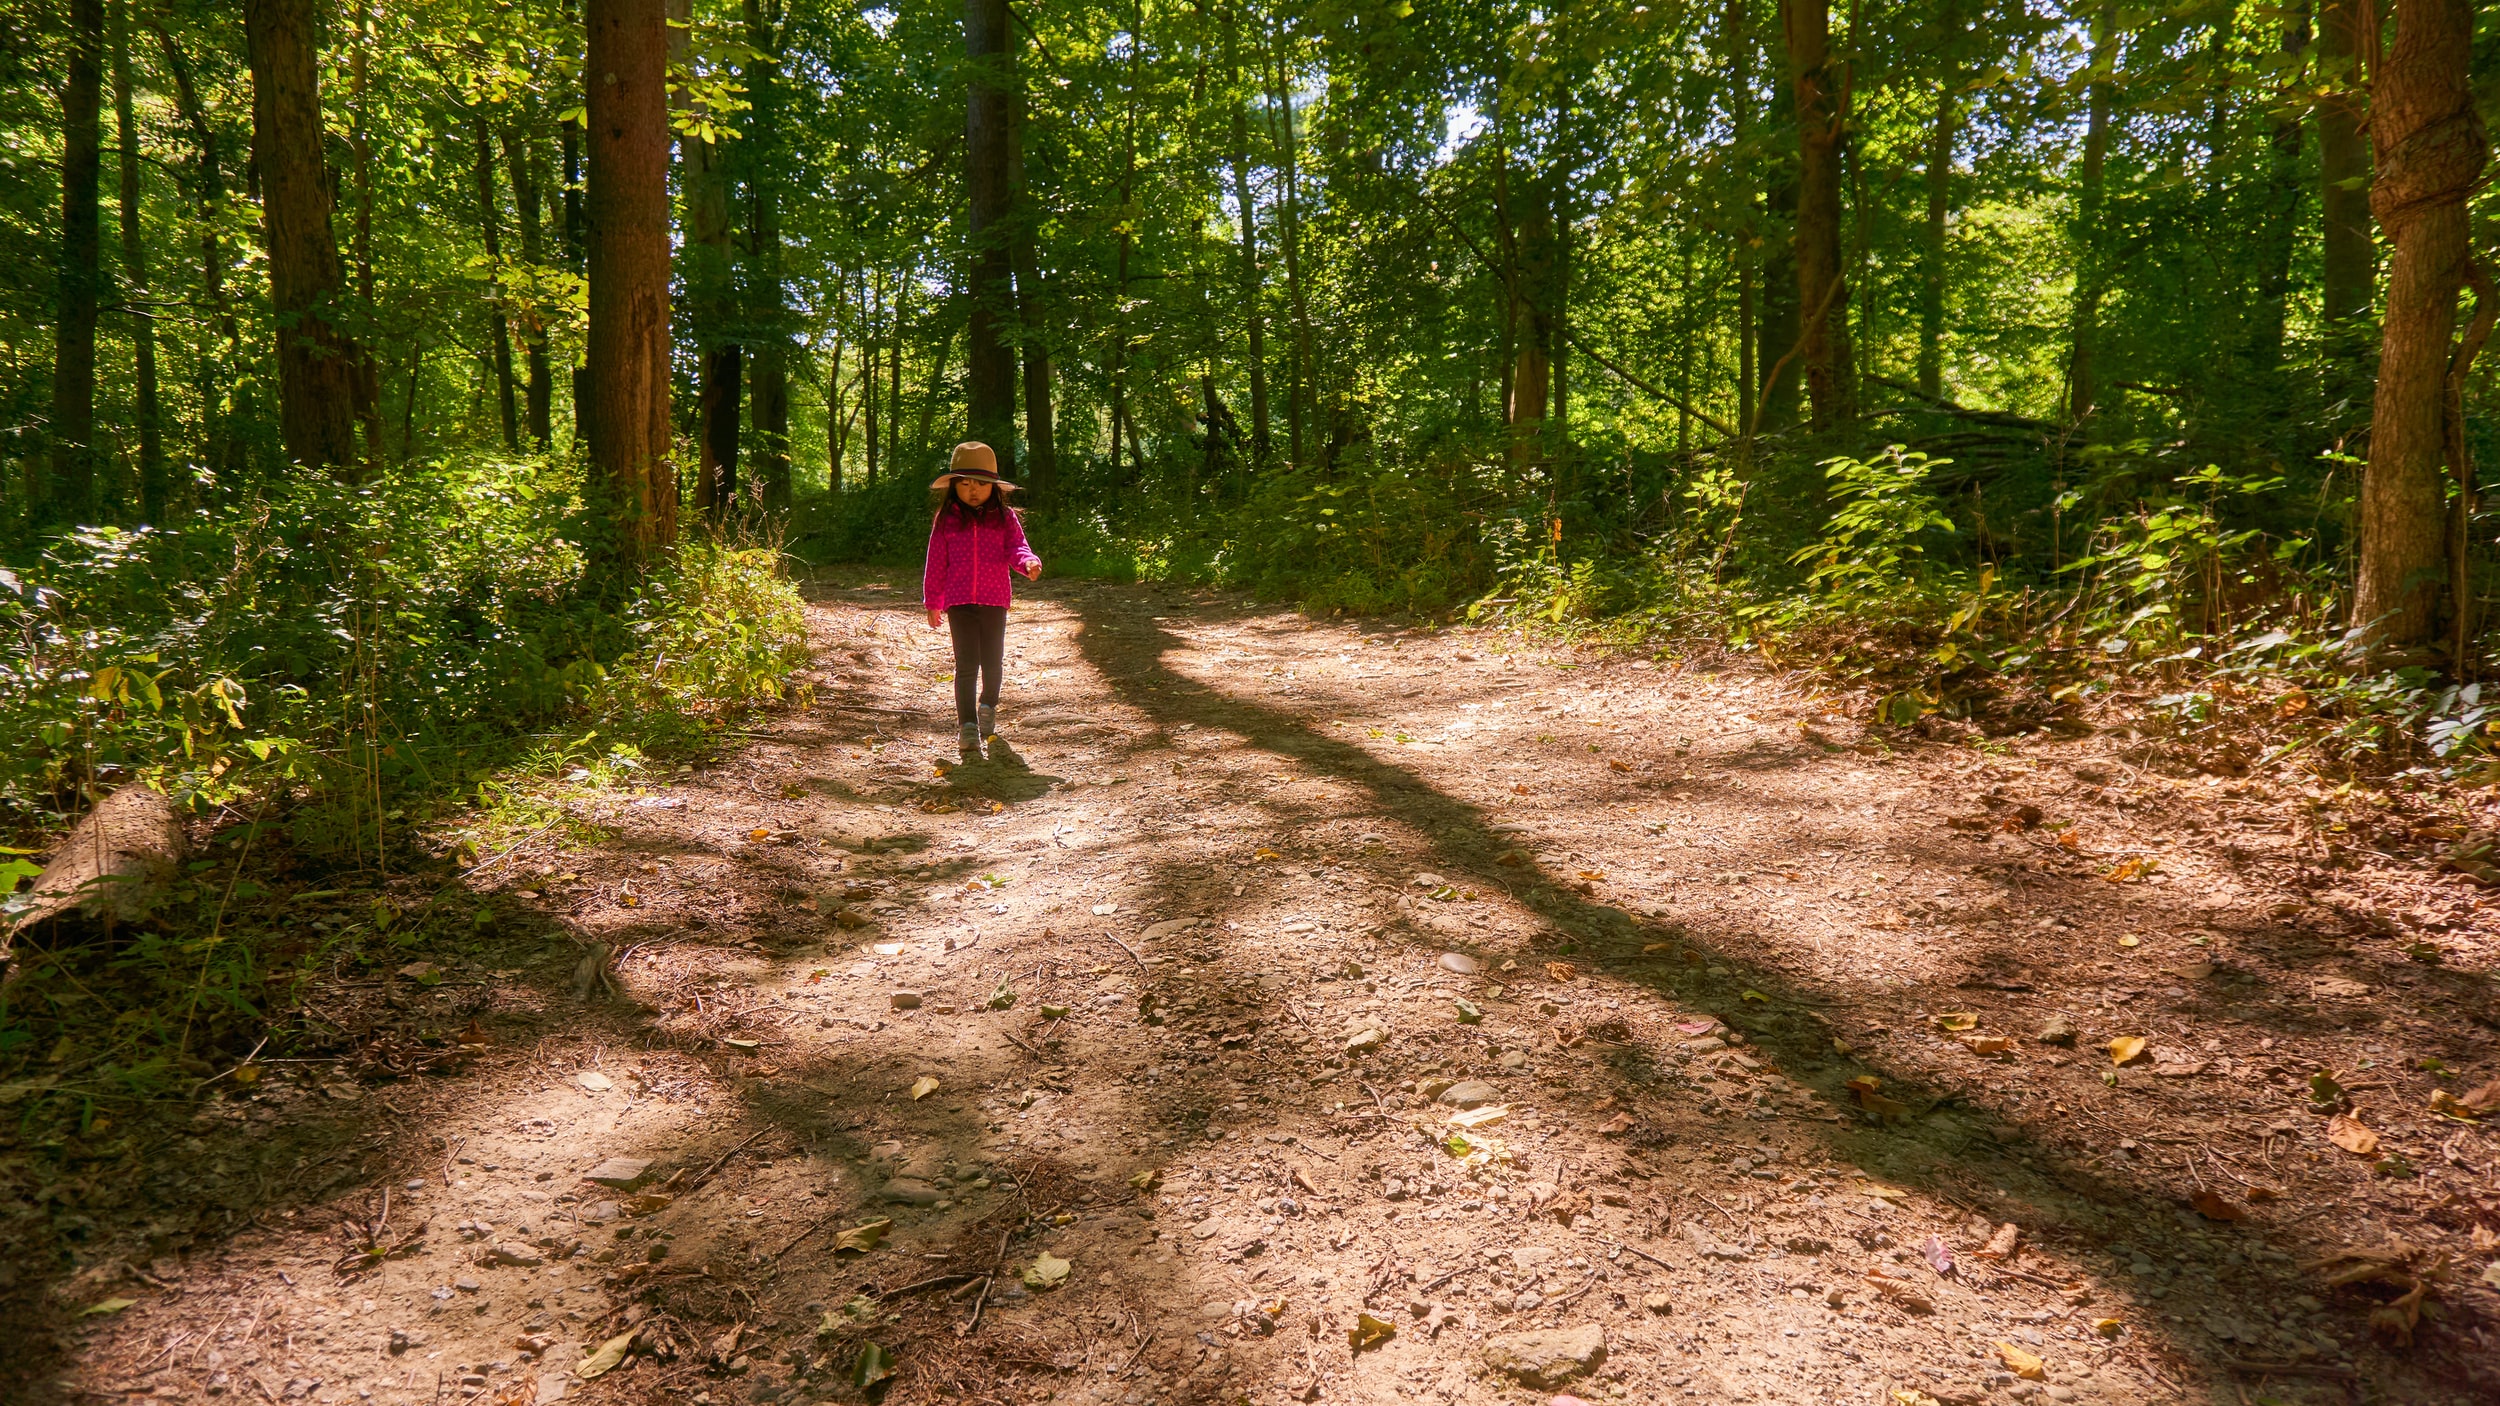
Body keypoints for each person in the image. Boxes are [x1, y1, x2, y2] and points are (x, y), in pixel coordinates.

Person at [922, 441, 1042, 761]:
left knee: (992, 662)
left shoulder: (1004, 517)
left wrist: (1028, 562)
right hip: (959, 602)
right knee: (966, 665)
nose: (973, 491)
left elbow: (1017, 547)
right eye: (965, 484)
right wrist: (933, 600)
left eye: (981, 484)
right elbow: (936, 561)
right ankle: (967, 727)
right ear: (953, 487)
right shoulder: (946, 520)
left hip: (994, 600)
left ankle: (988, 705)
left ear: (994, 487)